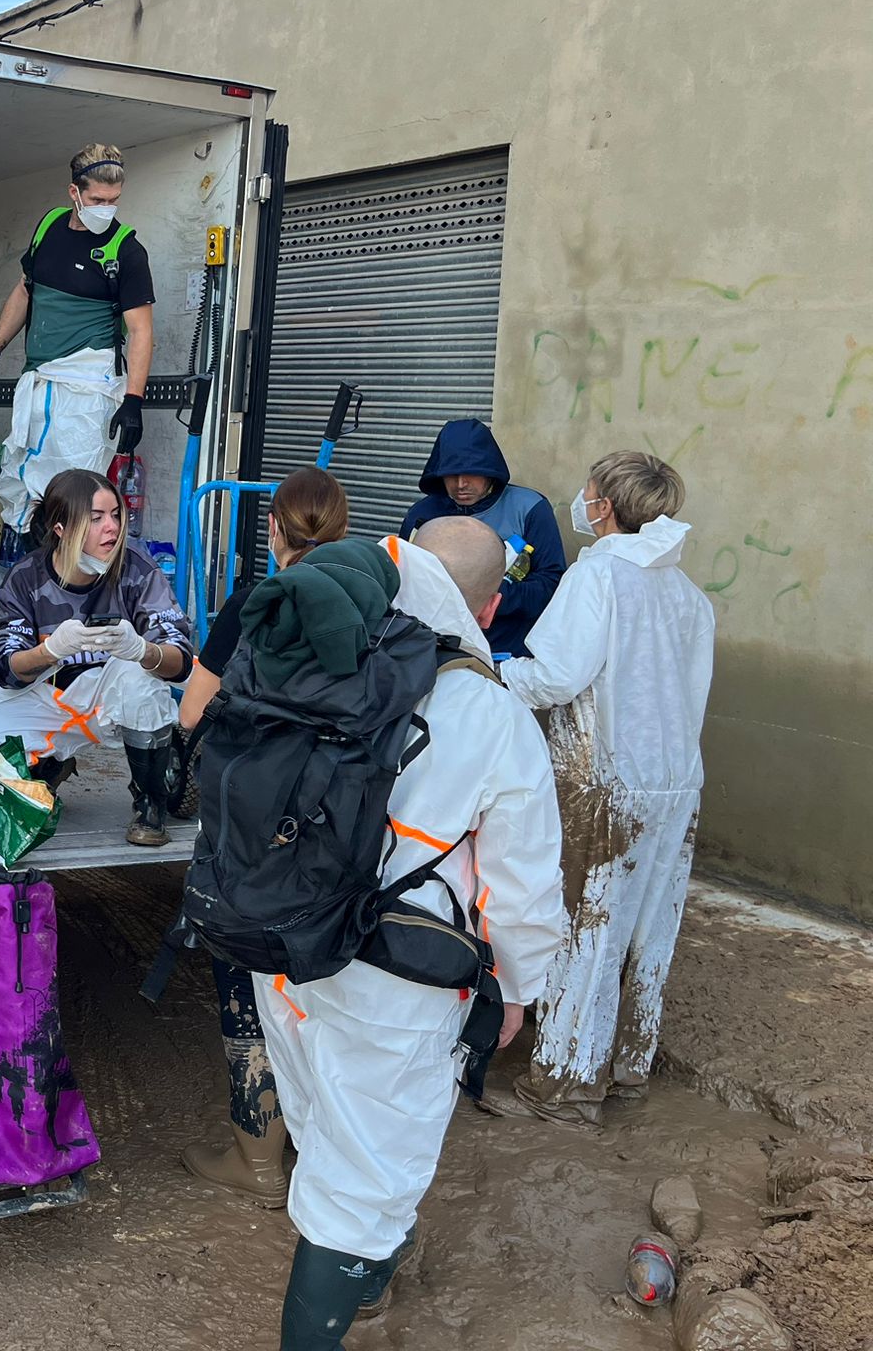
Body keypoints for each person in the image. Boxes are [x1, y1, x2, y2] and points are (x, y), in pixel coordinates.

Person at [251, 521, 567, 1347]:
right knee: (363, 1179)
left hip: (283, 951)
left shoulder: (315, 658)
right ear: (493, 606)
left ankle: (369, 1266)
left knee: (327, 1119)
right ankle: (347, 1283)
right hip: (397, 981)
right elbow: (524, 886)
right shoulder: (492, 714)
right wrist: (518, 990)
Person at [487, 452, 713, 1127]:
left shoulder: (598, 577)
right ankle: (627, 1068)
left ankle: (562, 1088)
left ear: (606, 506)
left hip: (606, 779)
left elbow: (556, 677)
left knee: (588, 929)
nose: (579, 502)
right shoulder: (687, 594)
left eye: (586, 493)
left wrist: (494, 674)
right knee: (650, 929)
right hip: (677, 782)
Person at [173, 467, 348, 1206]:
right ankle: (324, 1154)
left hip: (251, 828)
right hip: (340, 822)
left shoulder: (255, 601)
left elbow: (190, 715)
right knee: (324, 983)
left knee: (246, 974)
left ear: (273, 529)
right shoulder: (376, 610)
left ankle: (256, 1156)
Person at [0, 467, 192, 847]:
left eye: (116, 515)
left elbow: (181, 658)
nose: (113, 528)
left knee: (143, 679)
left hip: (113, 698)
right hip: (53, 696)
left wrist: (142, 650)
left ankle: (150, 804)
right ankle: (50, 764)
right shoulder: (25, 578)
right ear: (61, 528)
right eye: (97, 518)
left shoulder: (137, 570)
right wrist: (50, 649)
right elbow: (5, 667)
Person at [0, 143, 157, 532]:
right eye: (97, 198)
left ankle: (72, 579)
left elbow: (142, 330)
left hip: (87, 390)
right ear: (74, 192)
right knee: (24, 482)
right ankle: (36, 577)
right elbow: (26, 290)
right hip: (39, 380)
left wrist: (133, 401)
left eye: (114, 200)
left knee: (75, 493)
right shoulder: (49, 227)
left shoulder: (126, 250)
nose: (106, 208)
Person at [397, 418, 566, 658]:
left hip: (508, 655)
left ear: (490, 469)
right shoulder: (421, 514)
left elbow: (551, 583)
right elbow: (402, 578)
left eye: (471, 473)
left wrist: (488, 597)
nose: (461, 484)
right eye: (451, 474)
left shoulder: (529, 508)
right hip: (435, 650)